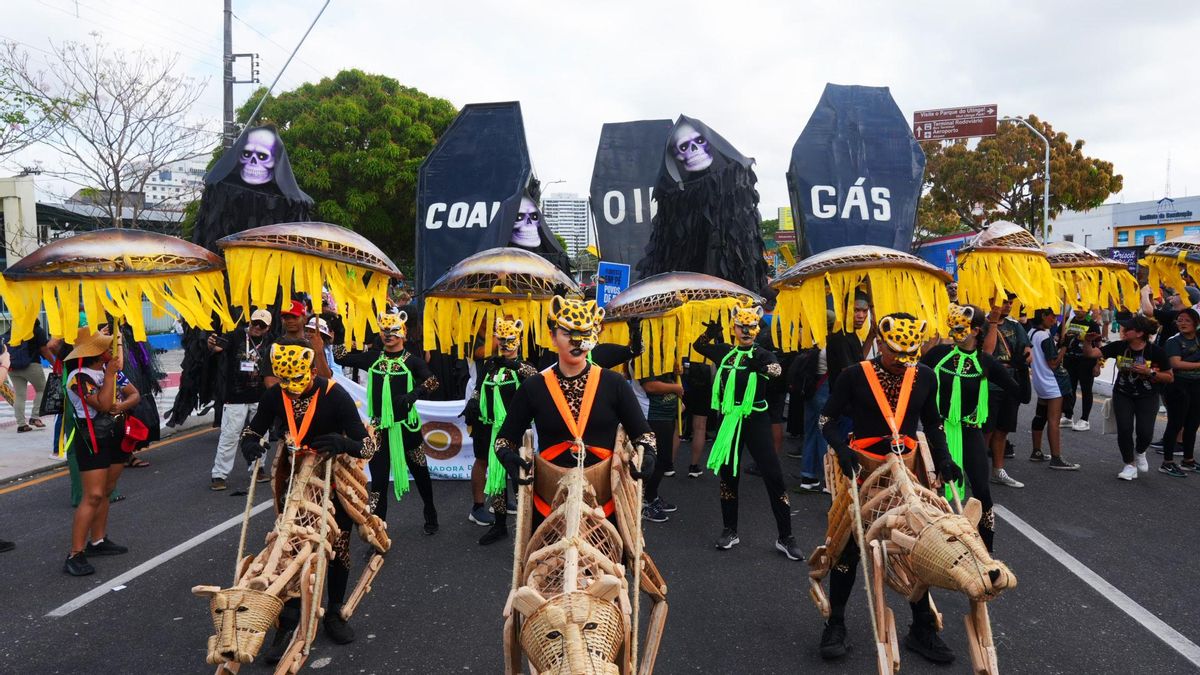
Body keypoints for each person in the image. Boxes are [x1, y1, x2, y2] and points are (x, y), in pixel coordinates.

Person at [817, 313, 962, 663]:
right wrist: (843, 450)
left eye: (910, 353)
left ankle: (922, 628)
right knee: (848, 546)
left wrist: (943, 459)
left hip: (908, 472)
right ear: (880, 344)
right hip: (863, 469)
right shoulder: (854, 376)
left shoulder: (924, 376)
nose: (903, 361)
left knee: (917, 548)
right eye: (897, 352)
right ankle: (836, 623)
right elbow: (827, 421)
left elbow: (933, 423)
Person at [239, 337, 376, 655]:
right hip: (296, 475)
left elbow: (367, 445)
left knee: (338, 544)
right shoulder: (275, 395)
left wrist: (343, 444)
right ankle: (287, 624)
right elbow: (254, 429)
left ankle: (335, 611)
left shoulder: (335, 395)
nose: (293, 389)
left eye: (298, 380)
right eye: (286, 382)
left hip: (333, 476)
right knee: (291, 545)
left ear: (313, 369)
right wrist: (250, 443)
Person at [492, 296, 656, 534]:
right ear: (552, 337)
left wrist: (648, 455)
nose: (577, 341)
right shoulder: (534, 387)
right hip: (550, 507)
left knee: (605, 571)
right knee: (549, 570)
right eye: (568, 333)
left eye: (584, 333)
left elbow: (644, 435)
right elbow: (504, 440)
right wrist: (508, 458)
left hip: (603, 509)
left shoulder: (614, 384)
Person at [692, 301, 799, 559]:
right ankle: (730, 530)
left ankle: (786, 536)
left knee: (774, 476)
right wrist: (711, 331)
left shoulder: (762, 353)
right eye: (742, 326)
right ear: (734, 326)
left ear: (757, 327)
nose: (746, 331)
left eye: (751, 326)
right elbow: (699, 346)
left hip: (756, 419)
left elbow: (776, 369)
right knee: (728, 476)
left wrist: (763, 368)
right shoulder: (725, 352)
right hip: (730, 421)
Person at [920, 305, 1018, 551]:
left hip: (970, 431)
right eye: (953, 326)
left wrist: (1023, 370)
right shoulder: (938, 354)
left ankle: (985, 550)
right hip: (938, 431)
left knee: (982, 492)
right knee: (934, 491)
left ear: (975, 330)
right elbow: (916, 381)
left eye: (961, 327)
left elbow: (1021, 394)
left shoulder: (986, 363)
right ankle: (932, 547)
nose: (955, 331)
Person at [334, 311, 440, 534]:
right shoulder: (373, 358)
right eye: (384, 331)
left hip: (407, 428)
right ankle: (376, 528)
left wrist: (414, 394)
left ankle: (430, 510)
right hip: (380, 429)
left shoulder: (413, 361)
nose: (388, 335)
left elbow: (432, 381)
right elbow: (339, 356)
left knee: (420, 472)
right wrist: (344, 328)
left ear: (403, 333)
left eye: (393, 331)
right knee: (379, 481)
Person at [62, 328, 141, 576]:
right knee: (93, 495)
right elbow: (104, 404)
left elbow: (134, 394)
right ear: (95, 352)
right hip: (92, 438)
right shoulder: (78, 377)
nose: (110, 350)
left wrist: (122, 406)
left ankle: (98, 540)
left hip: (115, 435)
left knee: (106, 490)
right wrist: (109, 377)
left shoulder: (108, 371)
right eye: (105, 347)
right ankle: (75, 553)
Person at [464, 317, 538, 545]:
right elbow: (477, 389)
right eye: (502, 339)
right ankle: (499, 524)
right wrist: (473, 404)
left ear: (519, 340)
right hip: (490, 427)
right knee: (496, 477)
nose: (505, 344)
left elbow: (537, 379)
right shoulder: (490, 364)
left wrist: (514, 365)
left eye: (510, 339)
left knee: (519, 477)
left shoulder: (524, 367)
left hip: (516, 429)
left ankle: (529, 526)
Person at [1083, 314, 1172, 480]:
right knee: (1124, 429)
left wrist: (1150, 372)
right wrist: (1087, 341)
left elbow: (1169, 376)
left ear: (1139, 333)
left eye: (1127, 328)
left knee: (1145, 432)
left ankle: (1140, 451)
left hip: (1148, 395)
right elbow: (1091, 354)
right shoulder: (1119, 346)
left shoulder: (1156, 351)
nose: (1123, 330)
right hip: (1123, 394)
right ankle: (1129, 464)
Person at [206, 309, 274, 491]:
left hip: (260, 397)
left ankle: (258, 468)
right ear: (249, 321)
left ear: (268, 328)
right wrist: (212, 345)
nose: (257, 327)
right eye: (255, 323)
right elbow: (218, 347)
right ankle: (219, 475)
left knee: (261, 435)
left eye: (262, 325)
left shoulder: (271, 341)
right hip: (235, 397)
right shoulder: (236, 336)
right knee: (230, 435)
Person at [983, 295, 1030, 488]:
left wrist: (1023, 361)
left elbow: (1027, 352)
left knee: (1003, 430)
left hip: (1010, 383)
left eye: (1010, 302)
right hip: (989, 386)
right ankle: (977, 469)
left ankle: (998, 470)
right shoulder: (982, 325)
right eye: (1004, 302)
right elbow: (987, 352)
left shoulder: (1016, 326)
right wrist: (993, 323)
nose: (1009, 306)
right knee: (986, 430)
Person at [1027, 308, 1081, 470]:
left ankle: (1036, 451)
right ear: (1043, 316)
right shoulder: (1044, 336)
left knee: (1040, 415)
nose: (1055, 320)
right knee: (1053, 420)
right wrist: (1064, 347)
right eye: (1052, 316)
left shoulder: (1031, 332)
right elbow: (1053, 363)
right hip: (1052, 382)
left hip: (1039, 380)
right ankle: (1056, 458)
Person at [639, 364, 683, 523]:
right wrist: (676, 387)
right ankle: (644, 502)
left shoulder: (664, 351)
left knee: (663, 461)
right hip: (652, 415)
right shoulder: (645, 355)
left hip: (666, 415)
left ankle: (652, 496)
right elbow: (650, 386)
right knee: (654, 461)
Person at [1162, 308, 1200, 476]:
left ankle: (1188, 460)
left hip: (1196, 385)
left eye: (1187, 320)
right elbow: (1176, 364)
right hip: (1177, 385)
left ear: (1196, 324)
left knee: (1193, 424)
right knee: (1176, 423)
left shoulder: (1199, 339)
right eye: (1180, 320)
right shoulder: (1173, 341)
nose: (1183, 323)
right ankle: (1167, 462)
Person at [5, 318, 52, 432]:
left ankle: (21, 424)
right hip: (31, 365)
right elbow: (44, 349)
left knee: (20, 395)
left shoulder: (11, 331)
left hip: (13, 367)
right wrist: (54, 363)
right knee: (42, 390)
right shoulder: (36, 330)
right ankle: (35, 417)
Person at [1061, 308, 1101, 431]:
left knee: (1086, 390)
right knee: (1069, 389)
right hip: (1070, 360)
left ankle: (1084, 419)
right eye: (1077, 307)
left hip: (1087, 362)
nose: (1079, 311)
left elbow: (1099, 346)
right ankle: (1068, 416)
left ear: (1087, 310)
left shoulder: (1092, 324)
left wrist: (1098, 364)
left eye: (1082, 308)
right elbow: (1060, 337)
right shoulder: (1068, 321)